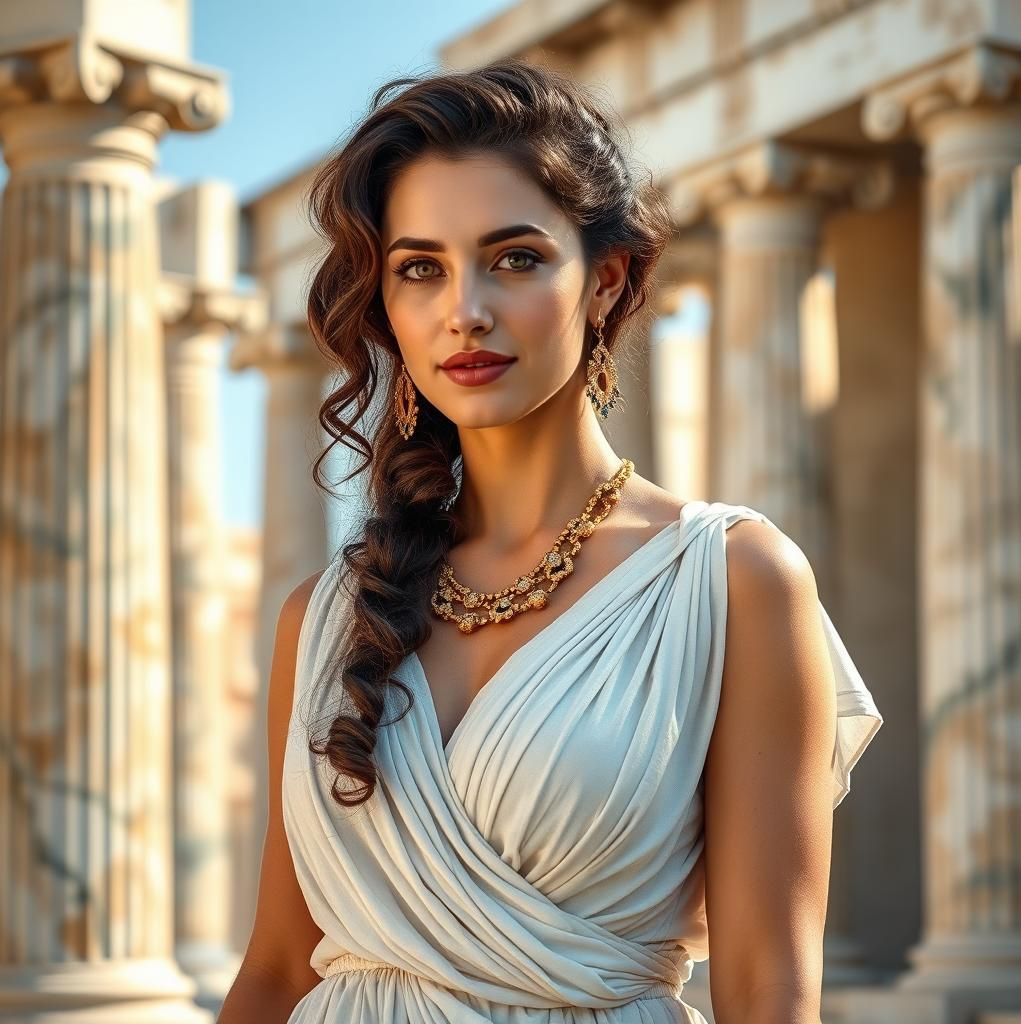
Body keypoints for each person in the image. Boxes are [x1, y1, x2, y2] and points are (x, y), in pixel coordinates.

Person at [218, 58, 884, 1024]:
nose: (466, 310)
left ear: (606, 282)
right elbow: (279, 971)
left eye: (516, 257)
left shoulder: (732, 581)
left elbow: (767, 990)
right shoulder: (321, 620)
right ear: (389, 308)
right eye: (420, 270)